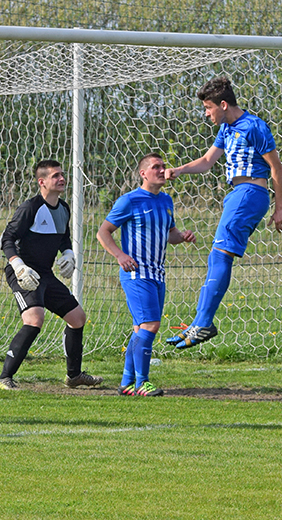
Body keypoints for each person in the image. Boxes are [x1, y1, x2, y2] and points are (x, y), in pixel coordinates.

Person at [163, 76, 282, 349]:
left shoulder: (253, 126)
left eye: (208, 107)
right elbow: (208, 162)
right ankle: (200, 322)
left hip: (250, 193)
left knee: (219, 254)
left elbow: (276, 168)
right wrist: (180, 170)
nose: (206, 113)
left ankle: (203, 323)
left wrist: (280, 208)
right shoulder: (226, 130)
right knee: (217, 256)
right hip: (237, 195)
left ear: (222, 104)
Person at [0, 160, 103, 391]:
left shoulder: (63, 208)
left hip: (45, 274)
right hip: (24, 273)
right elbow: (7, 239)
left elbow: (64, 238)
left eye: (62, 175)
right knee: (34, 319)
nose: (61, 179)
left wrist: (69, 253)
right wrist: (19, 266)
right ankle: (3, 377)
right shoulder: (30, 208)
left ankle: (73, 376)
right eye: (55, 176)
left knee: (77, 318)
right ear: (41, 182)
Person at [97, 153, 196, 396]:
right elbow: (103, 232)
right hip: (136, 274)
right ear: (143, 173)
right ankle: (142, 382)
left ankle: (127, 382)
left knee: (140, 327)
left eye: (163, 166)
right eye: (156, 167)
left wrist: (181, 237)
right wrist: (120, 256)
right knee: (151, 325)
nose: (162, 170)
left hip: (158, 274)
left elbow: (170, 235)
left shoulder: (166, 201)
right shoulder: (129, 201)